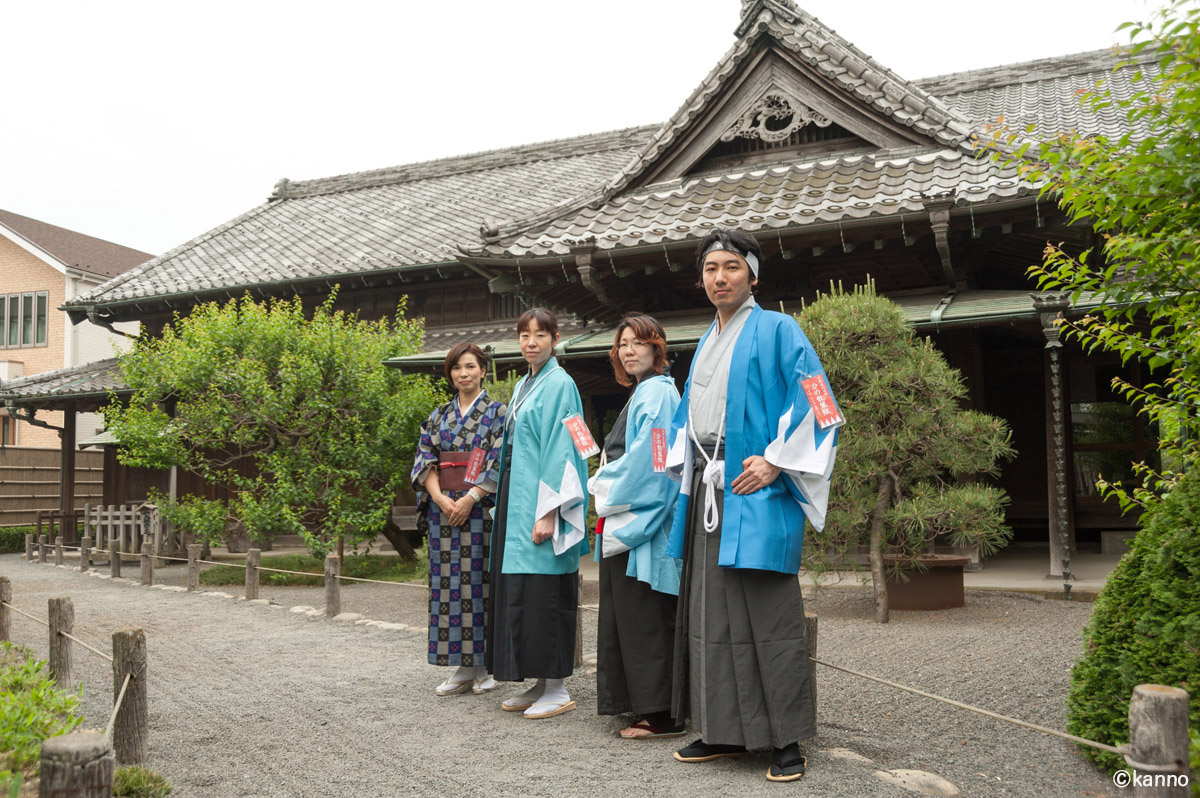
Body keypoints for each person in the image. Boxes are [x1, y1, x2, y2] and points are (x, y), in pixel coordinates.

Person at [665, 228, 841, 782]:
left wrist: (776, 462)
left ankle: (785, 740)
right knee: (710, 615)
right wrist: (682, 466)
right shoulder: (705, 343)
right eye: (712, 268)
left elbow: (820, 400)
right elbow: (686, 419)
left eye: (732, 267)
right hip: (711, 488)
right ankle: (723, 730)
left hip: (757, 490)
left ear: (753, 275)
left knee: (768, 615)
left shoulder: (779, 329)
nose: (720, 277)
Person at [486, 308, 591, 719]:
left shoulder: (561, 384)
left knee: (546, 591)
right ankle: (538, 680)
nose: (532, 342)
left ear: (555, 338)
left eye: (540, 335)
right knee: (523, 591)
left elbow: (564, 449)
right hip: (518, 495)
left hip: (544, 498)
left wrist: (549, 512)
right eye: (525, 335)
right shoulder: (524, 384)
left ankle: (559, 687)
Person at [589, 314, 684, 739]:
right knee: (627, 615)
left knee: (645, 614)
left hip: (642, 519)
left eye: (637, 342)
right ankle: (638, 704)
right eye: (622, 344)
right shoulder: (646, 393)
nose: (628, 350)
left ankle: (660, 713)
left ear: (656, 347)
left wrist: (601, 486)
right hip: (628, 512)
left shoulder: (659, 394)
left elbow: (656, 462)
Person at [411, 342, 507, 697]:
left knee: (479, 583)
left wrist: (470, 498)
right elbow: (424, 461)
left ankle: (483, 665)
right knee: (447, 586)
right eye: (456, 368)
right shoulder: (438, 415)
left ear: (483, 370)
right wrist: (439, 498)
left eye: (470, 367)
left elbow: (500, 460)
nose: (463, 374)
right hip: (443, 515)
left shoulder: (498, 413)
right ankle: (461, 667)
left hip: (481, 510)